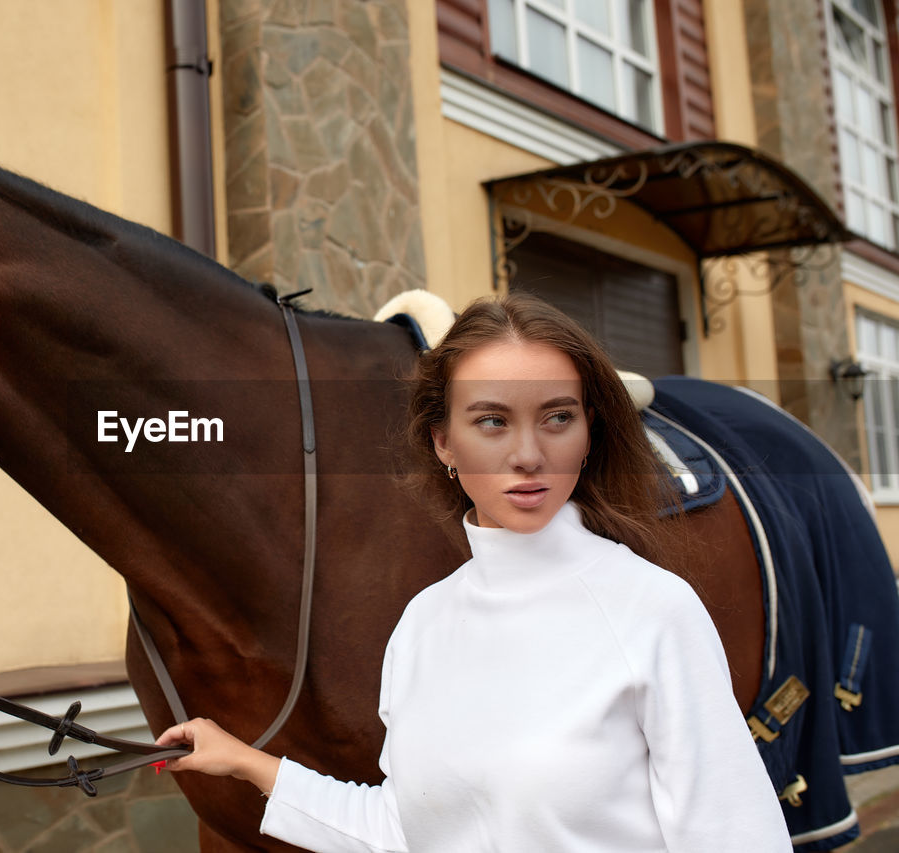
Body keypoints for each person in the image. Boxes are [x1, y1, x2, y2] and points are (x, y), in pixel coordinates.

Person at [156, 293, 791, 852]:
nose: (528, 455)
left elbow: (737, 836)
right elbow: (407, 830)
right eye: (492, 421)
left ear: (589, 434)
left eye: (558, 417)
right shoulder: (422, 625)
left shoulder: (654, 612)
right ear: (443, 442)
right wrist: (248, 764)